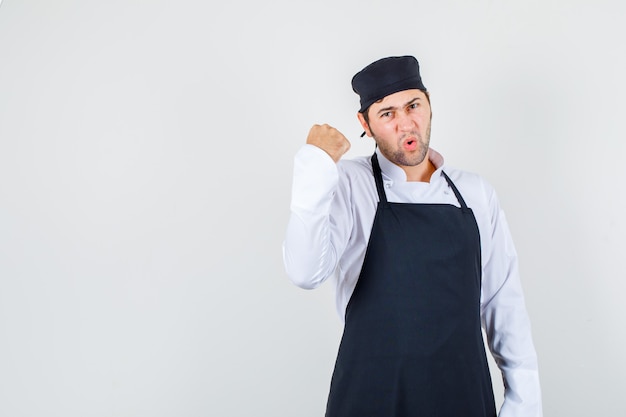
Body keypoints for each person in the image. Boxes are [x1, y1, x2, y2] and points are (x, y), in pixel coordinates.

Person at [282, 55, 542, 417]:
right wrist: (315, 164)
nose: (406, 124)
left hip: (463, 397)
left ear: (429, 103)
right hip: (372, 398)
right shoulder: (347, 183)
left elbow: (504, 303)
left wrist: (524, 405)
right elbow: (304, 272)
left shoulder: (475, 193)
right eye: (387, 113)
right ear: (365, 124)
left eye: (413, 105)